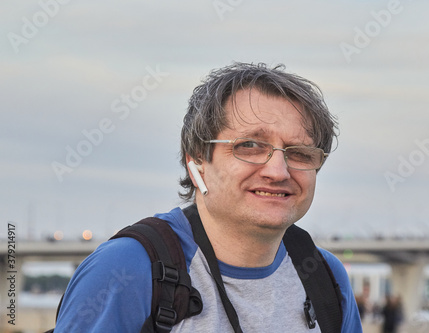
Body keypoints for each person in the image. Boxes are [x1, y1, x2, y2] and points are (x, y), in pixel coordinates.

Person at [53, 62, 363, 332]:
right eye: (250, 146)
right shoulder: (127, 270)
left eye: (300, 153)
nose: (278, 171)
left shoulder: (324, 276)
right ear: (197, 161)